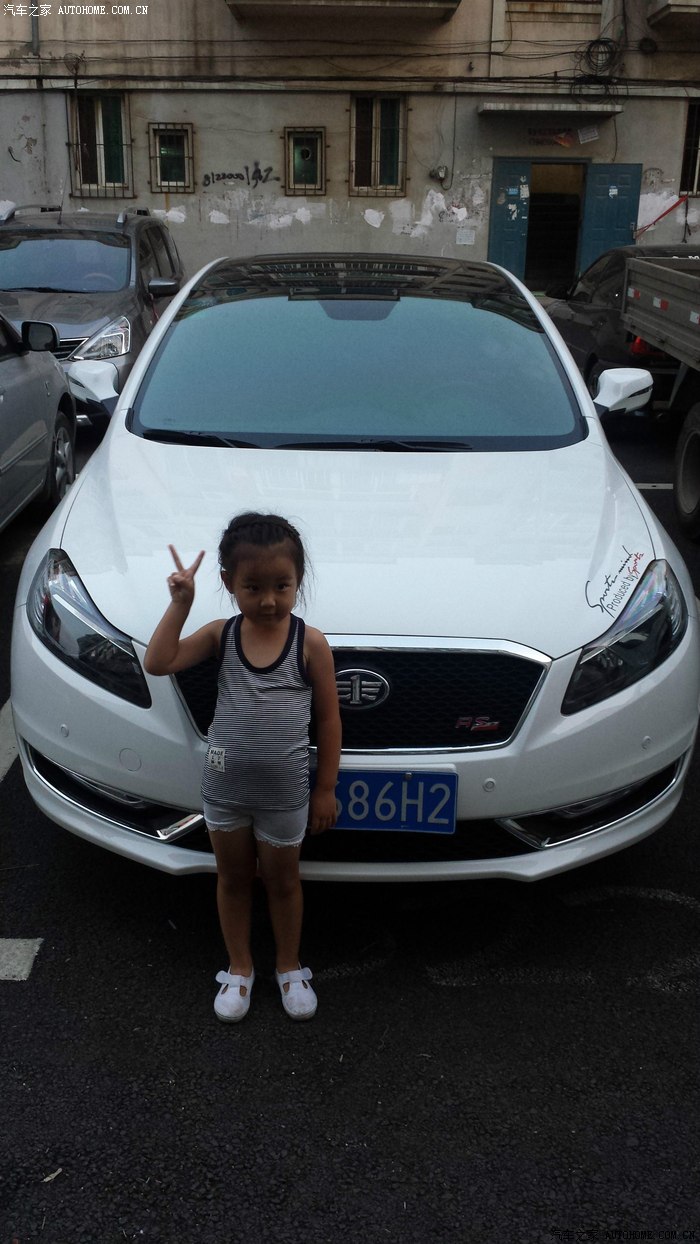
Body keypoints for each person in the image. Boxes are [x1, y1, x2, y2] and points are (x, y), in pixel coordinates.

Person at [144, 512, 341, 1023]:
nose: (269, 600)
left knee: (284, 882)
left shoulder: (310, 643)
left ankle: (289, 966)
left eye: (282, 586)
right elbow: (158, 662)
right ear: (229, 582)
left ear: (298, 580)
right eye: (253, 587)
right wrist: (180, 604)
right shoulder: (221, 635)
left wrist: (325, 788)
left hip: (285, 794)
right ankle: (239, 967)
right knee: (232, 879)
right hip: (225, 790)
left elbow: (328, 720)